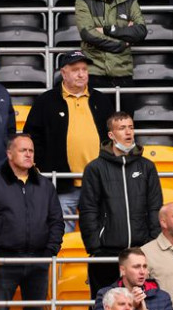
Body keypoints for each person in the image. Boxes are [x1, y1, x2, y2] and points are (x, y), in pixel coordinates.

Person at [80, 114, 164, 291]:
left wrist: (151, 244)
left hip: (141, 251)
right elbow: (88, 209)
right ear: (111, 135)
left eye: (131, 127)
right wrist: (95, 246)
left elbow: (155, 207)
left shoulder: (147, 167)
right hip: (107, 254)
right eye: (122, 128)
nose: (128, 132)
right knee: (104, 307)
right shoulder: (95, 168)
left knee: (142, 307)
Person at [26, 50, 113, 217]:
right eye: (75, 70)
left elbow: (113, 136)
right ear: (63, 73)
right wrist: (43, 167)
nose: (81, 74)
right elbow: (32, 136)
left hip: (99, 183)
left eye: (84, 69)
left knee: (101, 234)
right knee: (63, 236)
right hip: (62, 184)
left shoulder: (101, 100)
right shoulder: (46, 101)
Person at [0, 133, 63, 310]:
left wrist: (49, 253)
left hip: (38, 262)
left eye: (31, 150)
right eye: (23, 150)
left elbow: (56, 221)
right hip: (4, 261)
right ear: (9, 154)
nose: (29, 154)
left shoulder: (45, 185)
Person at [74, 0, 148, 88]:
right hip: (94, 74)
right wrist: (122, 43)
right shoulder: (83, 1)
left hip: (123, 74)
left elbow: (141, 31)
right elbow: (88, 34)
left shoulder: (130, 1)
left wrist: (106, 30)